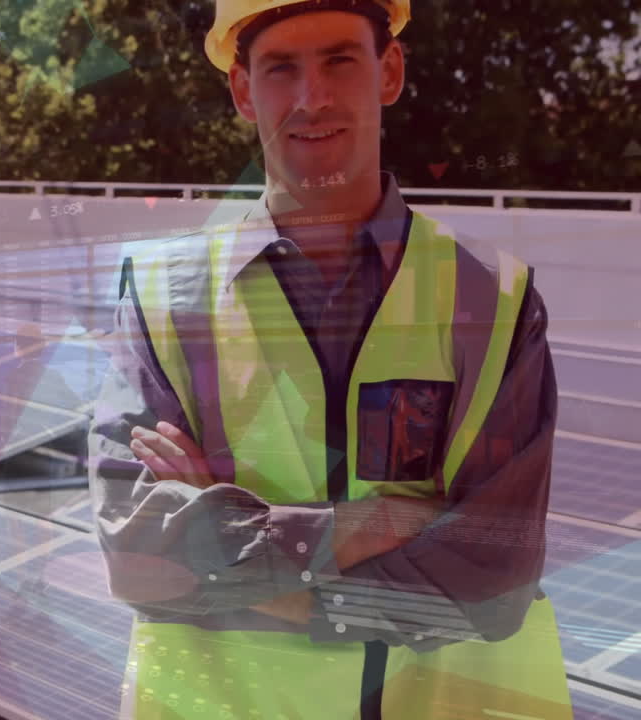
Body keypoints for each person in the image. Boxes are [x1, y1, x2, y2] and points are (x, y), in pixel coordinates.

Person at [87, 1, 572, 718]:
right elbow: (139, 556)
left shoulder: (492, 299)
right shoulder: (165, 297)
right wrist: (368, 526)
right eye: (281, 69)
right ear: (244, 92)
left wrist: (242, 556)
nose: (312, 97)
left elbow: (489, 581)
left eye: (340, 59)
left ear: (390, 70)